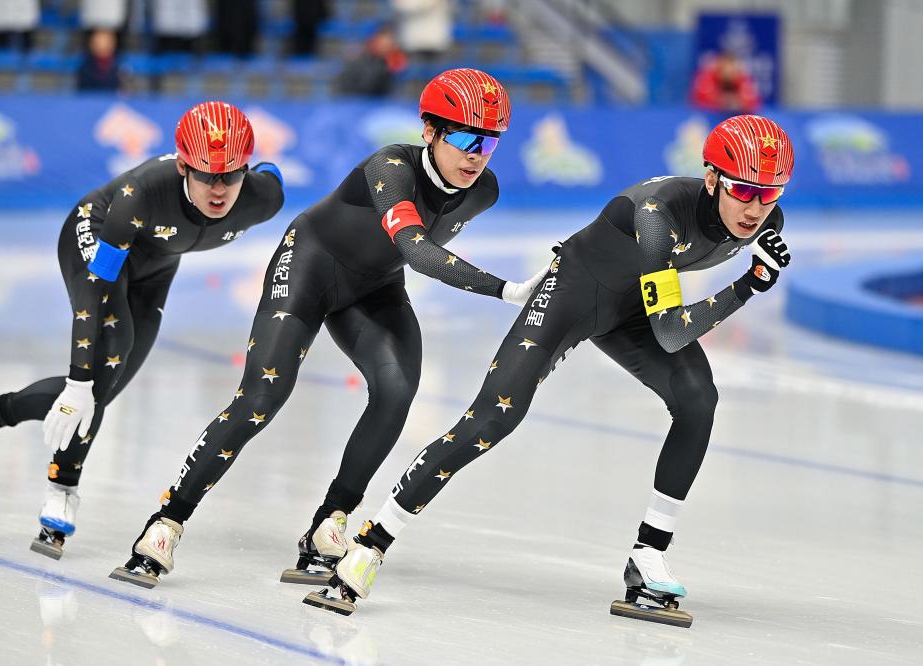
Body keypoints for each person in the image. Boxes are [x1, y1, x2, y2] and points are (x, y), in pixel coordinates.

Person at [311, 114, 795, 625]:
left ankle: (649, 554)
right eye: (744, 190)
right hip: (573, 294)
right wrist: (749, 284)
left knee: (698, 399)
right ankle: (371, 543)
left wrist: (750, 269)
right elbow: (673, 331)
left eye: (770, 194)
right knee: (492, 419)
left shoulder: (767, 220)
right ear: (713, 178)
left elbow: (665, 320)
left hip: (635, 309)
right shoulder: (660, 215)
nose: (755, 208)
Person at [109, 68, 552, 589]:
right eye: (464, 138)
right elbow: (415, 249)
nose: (477, 155)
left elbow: (402, 255)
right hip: (310, 269)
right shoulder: (390, 167)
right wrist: (505, 289)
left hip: (375, 286)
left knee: (397, 390)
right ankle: (165, 523)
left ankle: (329, 523)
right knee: (263, 396)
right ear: (429, 131)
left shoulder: (484, 191)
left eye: (490, 142)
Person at [0, 101, 285, 558]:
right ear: (183, 166)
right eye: (207, 175)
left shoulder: (262, 198)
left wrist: (87, 387)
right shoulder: (140, 193)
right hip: (98, 238)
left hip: (156, 267)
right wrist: (76, 379)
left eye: (232, 174)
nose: (220, 188)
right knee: (106, 356)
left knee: (105, 387)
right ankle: (62, 486)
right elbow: (95, 289)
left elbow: (272, 175)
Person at [690, 51, 762, 114]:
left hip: (735, 118)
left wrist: (736, 102)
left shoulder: (743, 80)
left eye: (731, 71)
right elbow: (699, 100)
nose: (728, 73)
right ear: (719, 69)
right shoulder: (707, 77)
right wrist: (721, 101)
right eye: (725, 70)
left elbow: (753, 103)